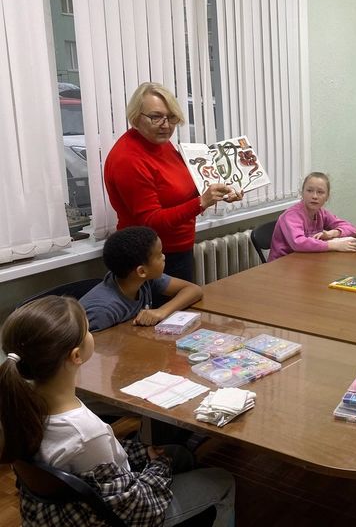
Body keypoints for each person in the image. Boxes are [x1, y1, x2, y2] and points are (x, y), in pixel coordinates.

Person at [0, 296, 235, 526]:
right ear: (76, 355)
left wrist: (152, 458)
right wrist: (158, 466)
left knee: (179, 454)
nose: (92, 335)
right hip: (120, 513)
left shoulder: (19, 404)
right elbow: (138, 509)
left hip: (70, 502)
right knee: (223, 480)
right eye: (88, 331)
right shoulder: (86, 433)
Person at [104, 82, 242, 283]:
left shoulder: (160, 143)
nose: (166, 125)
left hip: (177, 249)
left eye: (171, 117)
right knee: (170, 313)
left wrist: (223, 190)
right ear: (135, 117)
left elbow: (179, 189)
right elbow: (150, 222)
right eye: (156, 117)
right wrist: (202, 202)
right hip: (148, 258)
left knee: (185, 311)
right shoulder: (129, 159)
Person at [80, 226, 203, 333]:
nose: (164, 257)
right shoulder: (103, 311)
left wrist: (161, 311)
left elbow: (194, 290)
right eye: (159, 255)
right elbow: (89, 354)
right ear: (141, 271)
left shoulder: (143, 280)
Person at [268, 172, 356, 261]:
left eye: (320, 192)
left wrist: (331, 233)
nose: (314, 196)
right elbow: (299, 243)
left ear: (327, 196)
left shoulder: (321, 213)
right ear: (302, 193)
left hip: (306, 260)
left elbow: (352, 228)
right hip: (283, 265)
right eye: (309, 191)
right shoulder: (291, 215)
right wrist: (332, 245)